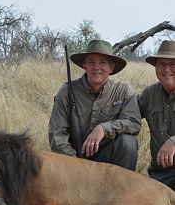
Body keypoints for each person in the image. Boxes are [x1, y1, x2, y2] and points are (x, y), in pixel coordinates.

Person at [48, 39, 141, 171]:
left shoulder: (123, 91)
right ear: (84, 66)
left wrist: (103, 129)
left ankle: (122, 189)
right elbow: (57, 135)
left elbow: (134, 123)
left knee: (128, 143)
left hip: (108, 159)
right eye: (91, 62)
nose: (96, 67)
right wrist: (75, 164)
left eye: (102, 62)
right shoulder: (66, 92)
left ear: (111, 67)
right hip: (73, 161)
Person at [137, 40, 175, 190]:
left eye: (172, 64)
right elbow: (129, 117)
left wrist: (173, 141)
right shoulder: (149, 94)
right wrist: (103, 127)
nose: (166, 69)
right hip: (161, 173)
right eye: (161, 64)